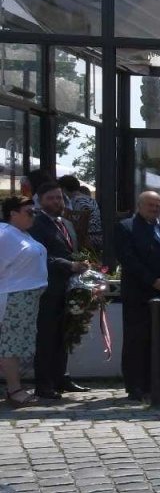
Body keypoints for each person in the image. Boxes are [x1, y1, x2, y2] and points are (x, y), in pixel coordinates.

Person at [113, 190, 160, 403]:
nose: (155, 209)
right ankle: (135, 385)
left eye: (158, 206)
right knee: (137, 340)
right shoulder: (126, 227)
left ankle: (154, 381)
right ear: (140, 206)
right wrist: (153, 281)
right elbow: (129, 260)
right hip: (139, 294)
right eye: (150, 205)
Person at [29, 182, 91, 401]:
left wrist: (81, 263)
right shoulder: (36, 223)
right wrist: (69, 265)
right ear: (40, 200)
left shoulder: (66, 223)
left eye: (59, 198)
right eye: (51, 198)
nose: (56, 202)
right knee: (46, 337)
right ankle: (43, 384)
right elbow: (39, 256)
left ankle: (61, 377)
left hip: (68, 288)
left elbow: (70, 251)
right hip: (47, 288)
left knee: (63, 334)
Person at [0, 196, 47, 407]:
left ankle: (14, 387)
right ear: (13, 213)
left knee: (16, 345)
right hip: (14, 297)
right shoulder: (5, 234)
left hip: (26, 298)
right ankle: (14, 389)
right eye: (29, 212)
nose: (33, 216)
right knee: (10, 345)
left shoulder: (21, 234)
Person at [56, 174, 101, 256]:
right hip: (99, 237)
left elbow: (75, 227)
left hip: (88, 240)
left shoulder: (76, 202)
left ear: (64, 189)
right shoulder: (90, 199)